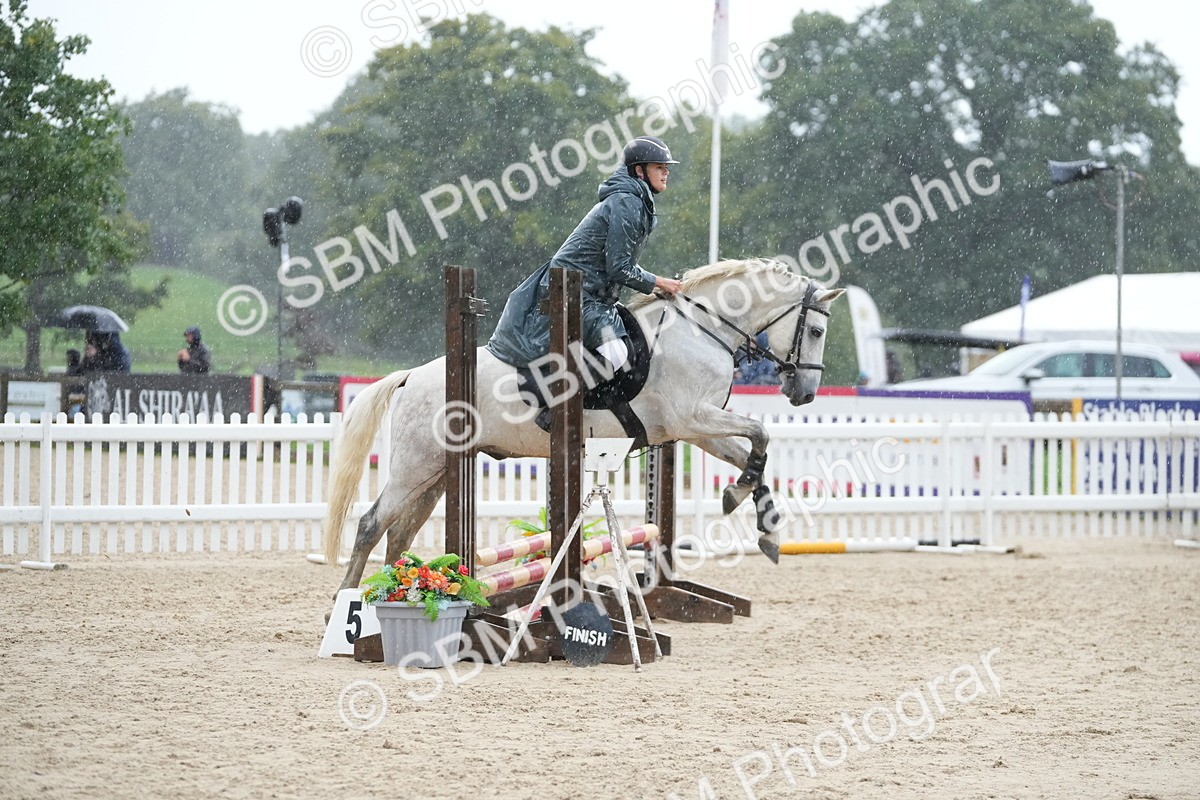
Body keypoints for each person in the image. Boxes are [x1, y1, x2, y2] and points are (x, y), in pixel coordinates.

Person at [487, 135, 683, 372]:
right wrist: (658, 282)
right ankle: (558, 406)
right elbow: (619, 268)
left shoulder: (634, 200)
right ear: (640, 171)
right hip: (576, 294)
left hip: (589, 294)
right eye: (659, 167)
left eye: (666, 168)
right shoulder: (627, 202)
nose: (666, 173)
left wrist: (655, 282)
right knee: (617, 353)